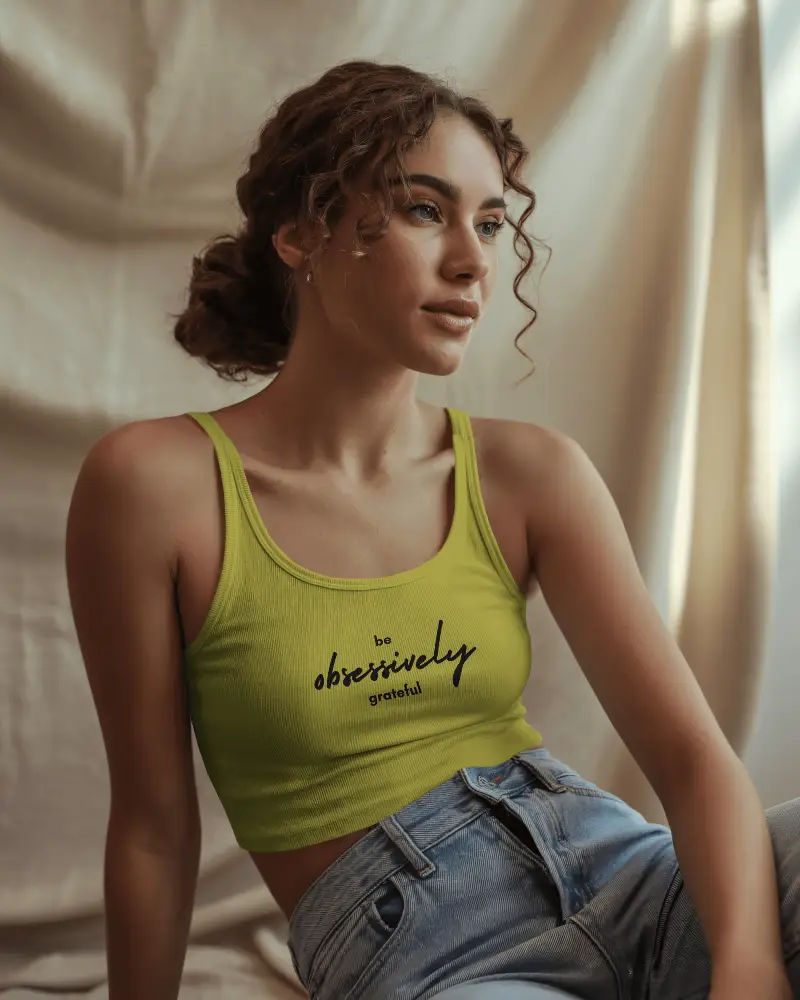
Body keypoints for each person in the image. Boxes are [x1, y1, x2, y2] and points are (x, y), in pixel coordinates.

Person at [64, 59, 798, 1000]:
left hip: (633, 877)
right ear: (299, 233)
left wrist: (747, 962)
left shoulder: (528, 473)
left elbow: (694, 761)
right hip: (429, 955)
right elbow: (156, 830)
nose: (474, 259)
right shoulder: (157, 486)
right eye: (425, 210)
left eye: (490, 222)